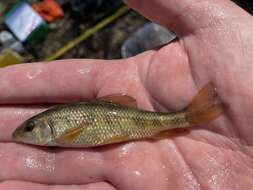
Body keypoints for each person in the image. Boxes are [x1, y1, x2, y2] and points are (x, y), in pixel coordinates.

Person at [1, 0, 253, 189]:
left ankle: (188, 116)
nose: (26, 134)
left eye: (31, 128)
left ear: (46, 125)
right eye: (29, 128)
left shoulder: (62, 134)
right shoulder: (61, 135)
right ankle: (187, 117)